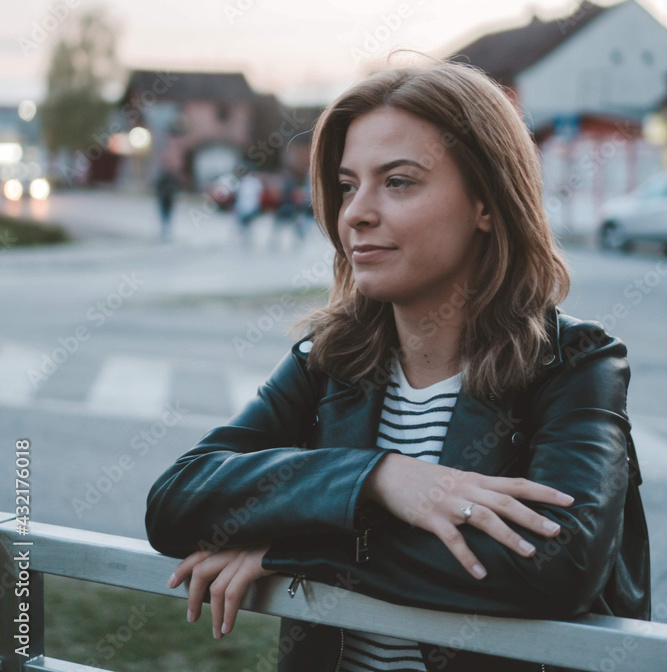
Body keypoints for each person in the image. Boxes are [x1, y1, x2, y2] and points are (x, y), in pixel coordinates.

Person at [144, 58, 650, 672]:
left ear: (487, 203)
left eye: (399, 182)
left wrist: (294, 551)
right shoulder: (328, 360)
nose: (356, 212)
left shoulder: (573, 364)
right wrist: (379, 479)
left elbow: (552, 568)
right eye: (348, 183)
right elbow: (175, 501)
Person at [234, 167, 264, 248]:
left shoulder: (245, 182)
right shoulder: (254, 182)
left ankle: (246, 239)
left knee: (246, 225)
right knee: (247, 224)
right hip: (249, 207)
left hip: (246, 207)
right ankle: (246, 239)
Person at [154, 166, 180, 242]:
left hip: (169, 200)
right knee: (163, 216)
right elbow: (158, 187)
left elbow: (176, 188)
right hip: (163, 200)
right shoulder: (164, 178)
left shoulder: (172, 179)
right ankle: (163, 230)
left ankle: (166, 230)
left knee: (168, 216)